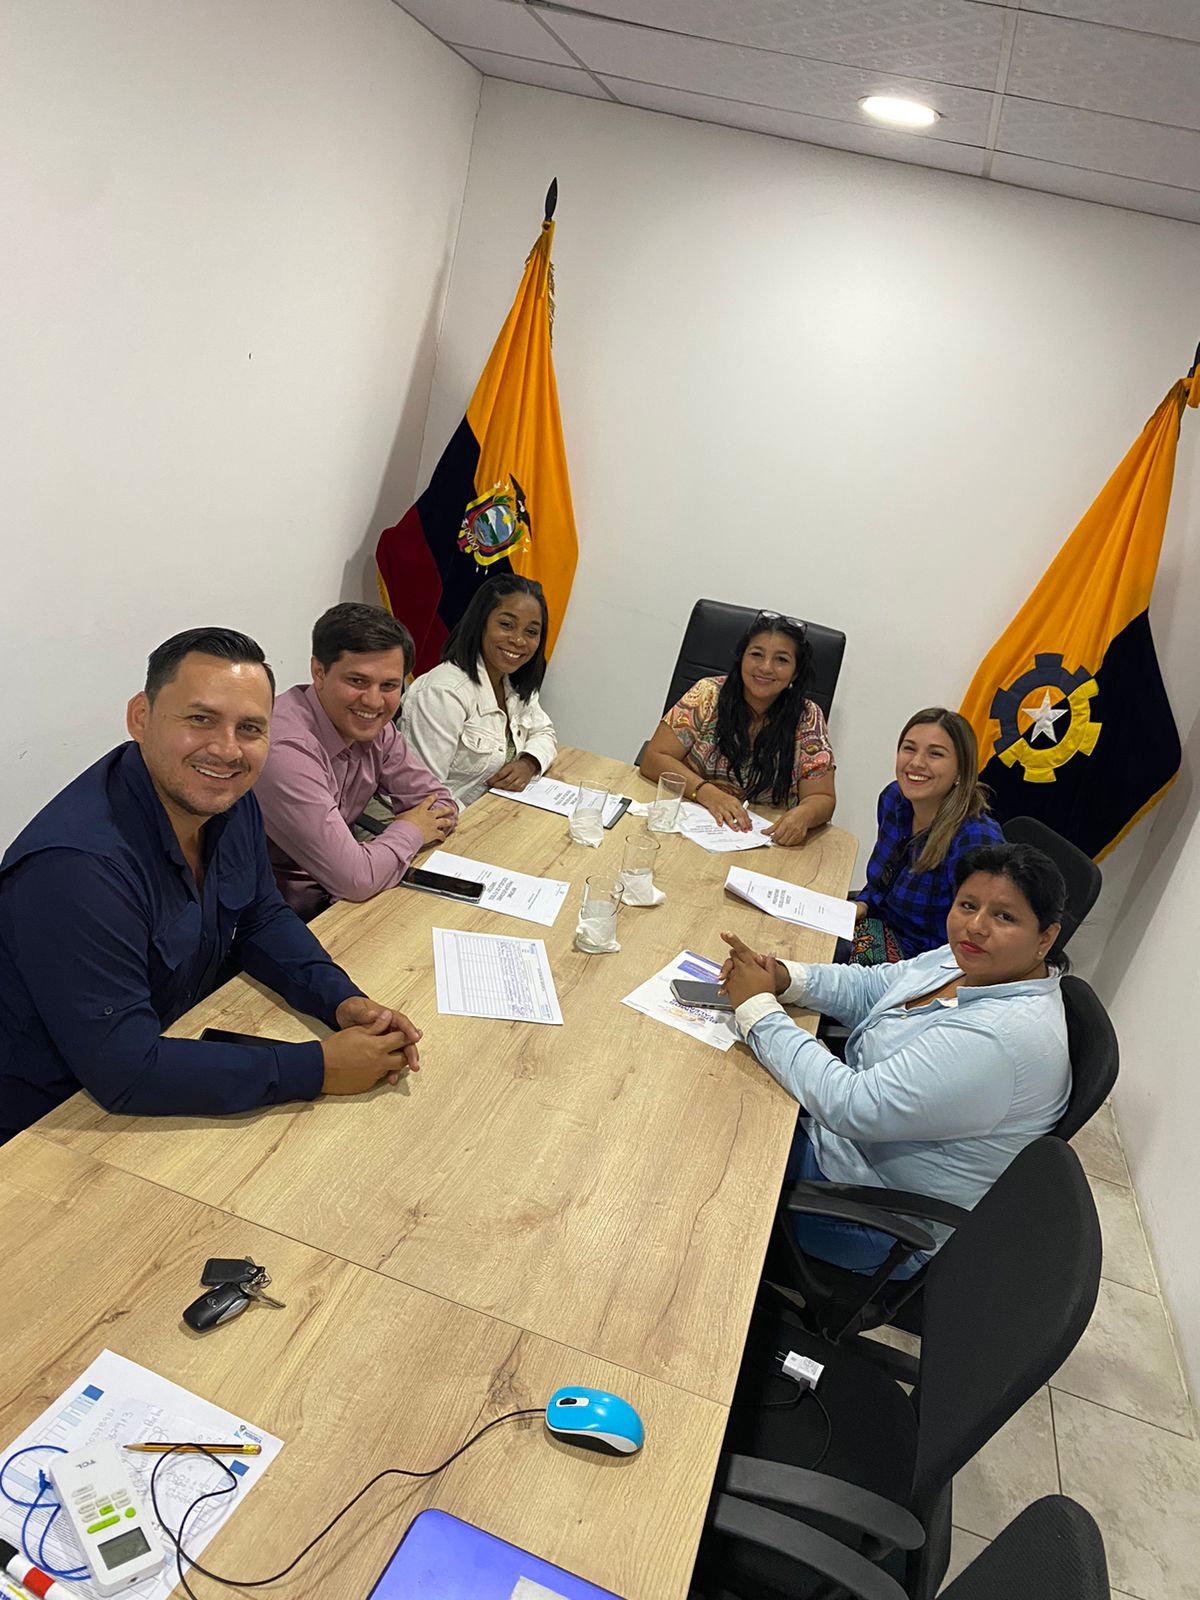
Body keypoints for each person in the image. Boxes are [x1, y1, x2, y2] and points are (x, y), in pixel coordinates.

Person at [0, 628, 423, 1143]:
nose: (227, 749)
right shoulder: (76, 870)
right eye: (200, 719)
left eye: (250, 728)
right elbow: (124, 1070)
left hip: (167, 1058)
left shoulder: (228, 799)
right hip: (48, 1125)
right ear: (141, 717)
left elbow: (261, 918)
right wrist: (318, 1068)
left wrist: (339, 1000)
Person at [719, 842, 1071, 1275]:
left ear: (1045, 938)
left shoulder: (1002, 1037)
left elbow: (852, 1106)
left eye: (1004, 917)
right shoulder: (973, 960)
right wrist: (785, 977)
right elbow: (874, 987)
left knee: (709, 1140)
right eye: (968, 904)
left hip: (871, 1214)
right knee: (719, 1087)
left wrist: (757, 1009)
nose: (976, 926)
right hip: (845, 1148)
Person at [254, 603, 457, 919]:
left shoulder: (374, 726)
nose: (374, 701)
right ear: (319, 672)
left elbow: (441, 804)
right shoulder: (285, 748)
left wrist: (373, 857)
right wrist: (412, 829)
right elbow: (355, 879)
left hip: (346, 901)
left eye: (389, 685)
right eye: (358, 681)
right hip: (280, 915)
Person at [639, 613, 836, 846]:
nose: (765, 667)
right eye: (756, 654)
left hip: (765, 841)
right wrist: (707, 793)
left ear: (795, 672)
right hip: (691, 828)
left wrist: (805, 815)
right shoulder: (707, 694)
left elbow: (822, 797)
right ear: (741, 658)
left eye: (781, 660)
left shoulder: (808, 717)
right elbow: (654, 757)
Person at [848, 707, 1004, 964]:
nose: (917, 763)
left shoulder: (976, 840)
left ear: (961, 771)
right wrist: (863, 904)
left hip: (923, 961)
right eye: (909, 749)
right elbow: (882, 882)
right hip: (877, 924)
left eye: (935, 754)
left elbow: (977, 935)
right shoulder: (894, 798)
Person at [402, 575, 558, 807]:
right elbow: (426, 797)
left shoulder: (514, 682)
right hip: (439, 817)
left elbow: (544, 732)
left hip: (491, 810)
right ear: (480, 623)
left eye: (531, 632)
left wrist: (529, 763)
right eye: (506, 625)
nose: (518, 640)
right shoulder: (442, 692)